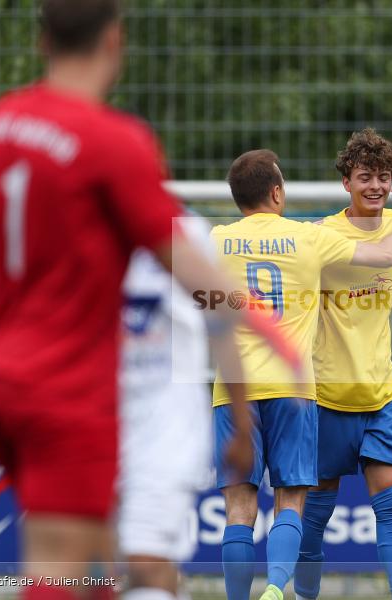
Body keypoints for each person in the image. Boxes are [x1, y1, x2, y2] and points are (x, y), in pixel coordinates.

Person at [0, 2, 292, 598]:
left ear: (42, 40)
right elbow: (186, 265)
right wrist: (268, 329)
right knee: (64, 567)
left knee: (96, 559)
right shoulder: (111, 144)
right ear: (114, 40)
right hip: (66, 391)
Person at [212, 149, 392, 600]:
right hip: (295, 388)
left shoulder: (215, 239)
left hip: (233, 391)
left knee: (239, 508)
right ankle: (276, 586)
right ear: (278, 192)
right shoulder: (309, 237)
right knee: (291, 499)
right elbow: (386, 254)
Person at [294, 129, 392, 600]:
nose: (375, 186)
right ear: (346, 181)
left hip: (380, 396)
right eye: (365, 177)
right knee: (315, 517)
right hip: (327, 397)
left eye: (384, 178)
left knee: (390, 512)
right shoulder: (322, 236)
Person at [118, 212, 252, 600]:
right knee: (92, 569)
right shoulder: (68, 229)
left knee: (146, 564)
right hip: (90, 425)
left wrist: (243, 427)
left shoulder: (188, 234)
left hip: (163, 432)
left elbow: (222, 327)